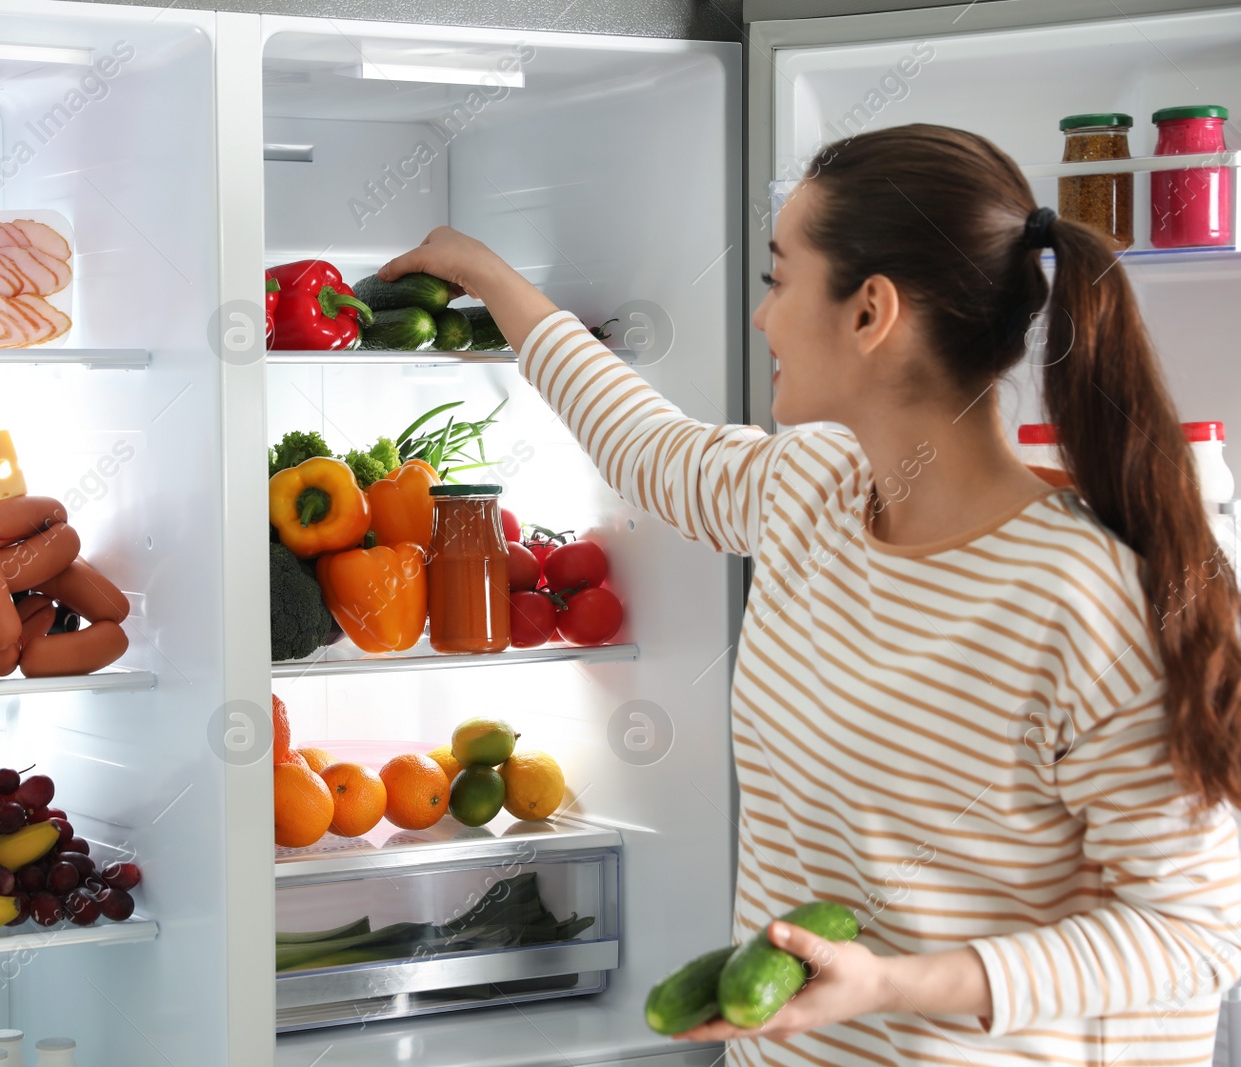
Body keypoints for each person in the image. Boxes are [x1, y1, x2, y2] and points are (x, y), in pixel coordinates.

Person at [378, 123, 1241, 1066]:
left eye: (778, 279)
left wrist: (891, 983)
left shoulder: (1079, 599)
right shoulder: (815, 486)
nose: (763, 317)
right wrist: (489, 276)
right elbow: (648, 446)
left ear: (870, 312)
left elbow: (1193, 933)